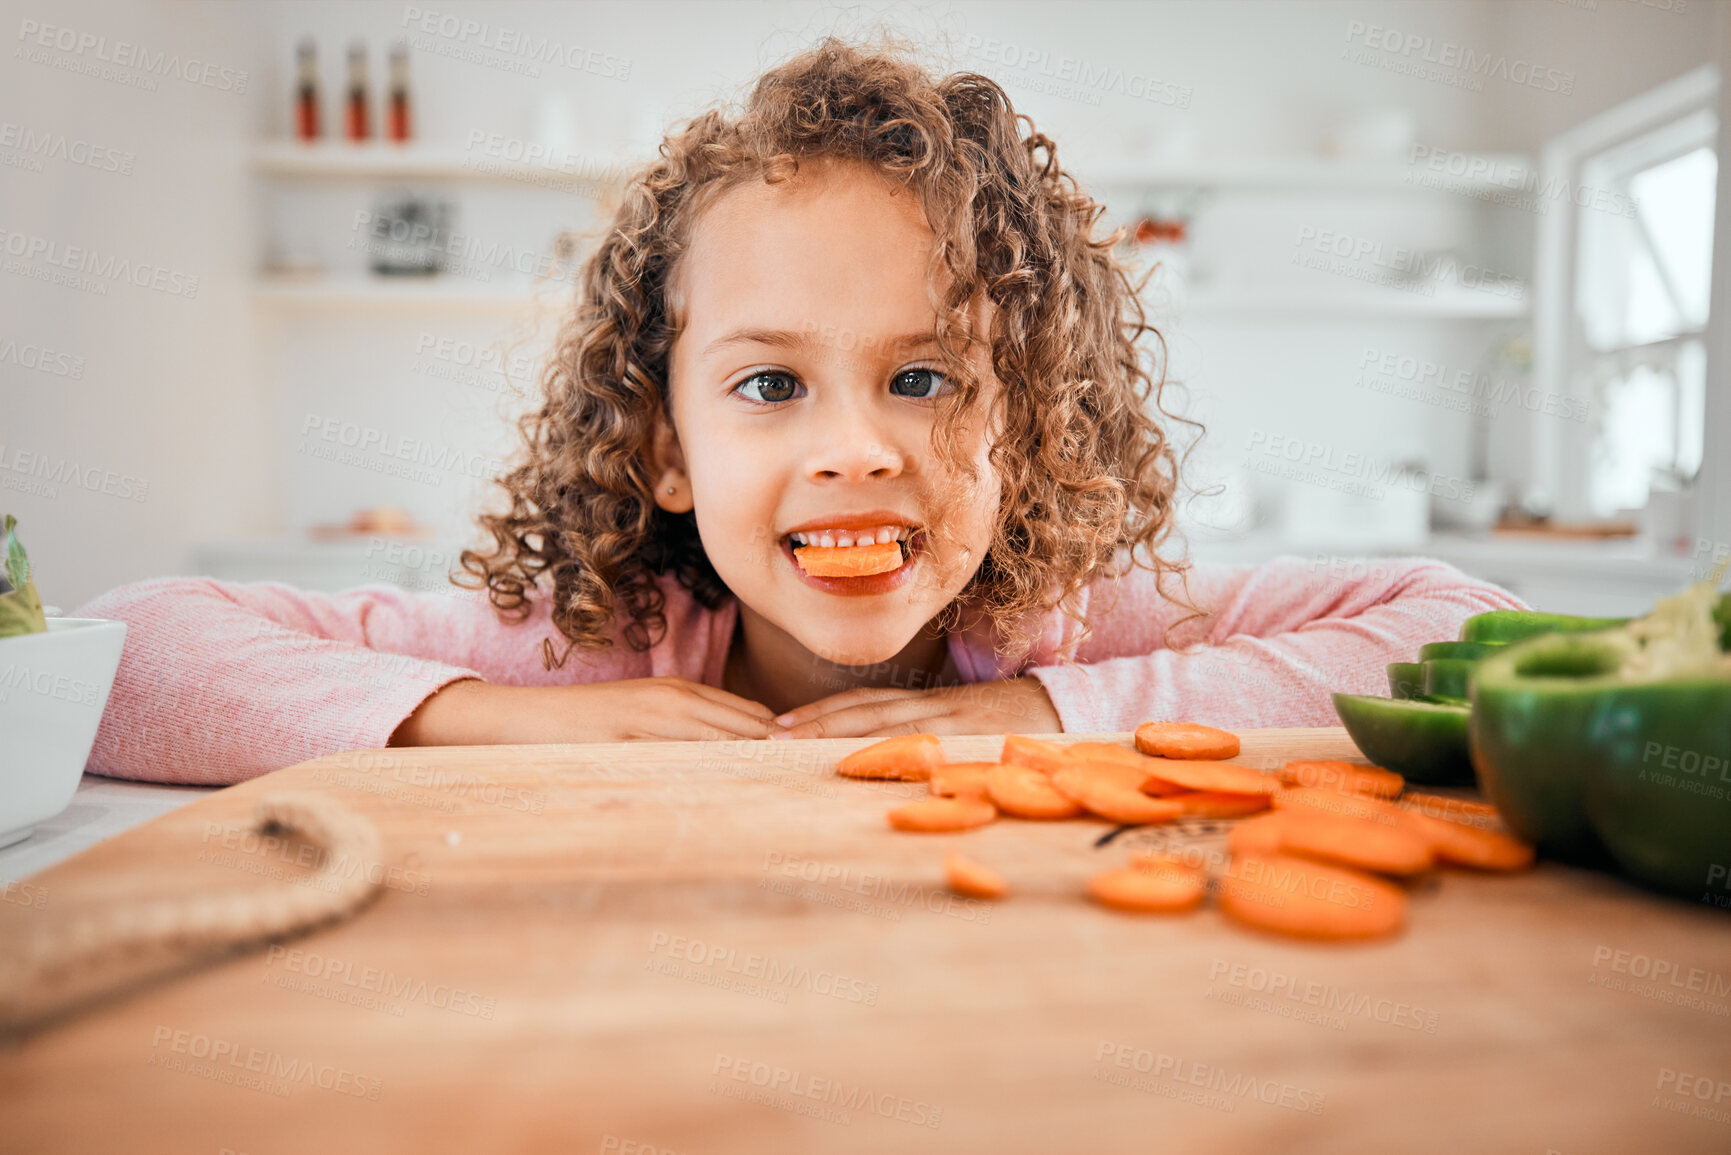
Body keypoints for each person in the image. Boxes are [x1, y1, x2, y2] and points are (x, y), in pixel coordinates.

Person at [73, 40, 1524, 785]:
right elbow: (129, 650)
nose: (854, 445)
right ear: (665, 447)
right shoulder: (585, 653)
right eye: (771, 384)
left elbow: (1453, 628)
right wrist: (494, 726)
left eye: (928, 377)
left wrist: (1033, 713)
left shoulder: (1078, 631)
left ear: (1027, 423)